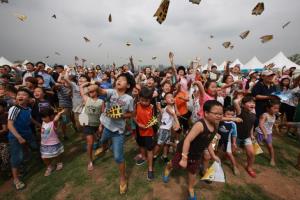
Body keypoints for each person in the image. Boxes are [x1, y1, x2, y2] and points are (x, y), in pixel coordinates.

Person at [162, 100, 222, 200]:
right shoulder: (200, 125)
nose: (219, 116)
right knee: (175, 164)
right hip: (184, 151)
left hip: (197, 154)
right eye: (216, 113)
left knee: (193, 171)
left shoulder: (215, 125)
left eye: (221, 113)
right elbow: (187, 140)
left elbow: (208, 142)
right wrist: (184, 158)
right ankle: (168, 168)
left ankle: (190, 188)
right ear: (206, 113)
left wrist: (213, 155)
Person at [98, 73, 135, 194]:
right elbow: (102, 92)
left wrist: (122, 115)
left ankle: (123, 177)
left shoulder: (129, 99)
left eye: (122, 80)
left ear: (128, 85)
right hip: (106, 126)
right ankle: (103, 148)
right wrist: (95, 87)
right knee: (102, 141)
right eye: (117, 79)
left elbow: (131, 114)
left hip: (118, 132)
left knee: (118, 156)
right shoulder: (111, 92)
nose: (118, 81)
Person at [7, 88, 40, 190]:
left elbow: (30, 118)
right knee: (17, 157)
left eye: (24, 95)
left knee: (35, 146)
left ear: (29, 98)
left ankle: (42, 160)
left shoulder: (28, 109)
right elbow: (10, 125)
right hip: (15, 136)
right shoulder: (14, 109)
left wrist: (40, 125)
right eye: (19, 94)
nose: (20, 96)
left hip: (27, 134)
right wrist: (19, 137)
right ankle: (16, 179)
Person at [80, 82, 103, 171]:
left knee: (100, 138)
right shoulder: (86, 99)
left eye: (93, 91)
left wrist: (101, 125)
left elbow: (102, 114)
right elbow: (81, 87)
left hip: (97, 125)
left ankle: (102, 145)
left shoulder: (101, 102)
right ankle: (90, 161)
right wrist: (88, 83)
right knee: (90, 143)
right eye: (90, 92)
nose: (91, 93)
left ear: (97, 91)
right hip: (88, 125)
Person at [134, 87, 156, 180]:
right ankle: (143, 157)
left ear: (150, 100)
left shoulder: (152, 107)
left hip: (148, 132)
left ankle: (150, 169)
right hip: (139, 130)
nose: (143, 102)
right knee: (141, 145)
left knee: (149, 149)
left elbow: (154, 119)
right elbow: (133, 115)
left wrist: (149, 125)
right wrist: (138, 123)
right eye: (142, 100)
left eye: (146, 101)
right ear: (139, 98)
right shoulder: (137, 105)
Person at [153, 93, 179, 163]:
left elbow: (177, 113)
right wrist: (178, 125)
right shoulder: (167, 108)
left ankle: (164, 156)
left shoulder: (172, 107)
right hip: (164, 129)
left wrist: (175, 103)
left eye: (172, 97)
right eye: (168, 97)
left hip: (168, 129)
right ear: (165, 101)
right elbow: (174, 115)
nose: (171, 98)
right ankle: (154, 156)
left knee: (166, 143)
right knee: (159, 144)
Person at [39, 108, 65, 176]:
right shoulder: (44, 122)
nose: (43, 119)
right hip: (44, 144)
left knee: (56, 155)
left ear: (51, 116)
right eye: (42, 117)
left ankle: (59, 163)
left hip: (53, 143)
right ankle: (49, 167)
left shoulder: (53, 123)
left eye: (44, 117)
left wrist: (59, 113)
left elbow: (56, 119)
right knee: (44, 157)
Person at [236, 95, 257, 178]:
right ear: (243, 105)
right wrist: (242, 97)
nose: (252, 104)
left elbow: (251, 125)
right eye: (249, 102)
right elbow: (235, 102)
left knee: (251, 153)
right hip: (236, 136)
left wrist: (251, 134)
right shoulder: (240, 111)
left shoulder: (253, 114)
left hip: (246, 137)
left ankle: (249, 167)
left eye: (253, 102)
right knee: (230, 151)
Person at [256, 99, 280, 166]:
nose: (276, 110)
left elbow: (273, 123)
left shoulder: (274, 115)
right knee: (257, 144)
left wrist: (276, 128)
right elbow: (261, 125)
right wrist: (264, 134)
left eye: (278, 108)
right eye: (274, 108)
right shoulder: (264, 115)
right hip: (260, 132)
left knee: (270, 146)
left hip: (268, 133)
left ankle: (272, 159)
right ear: (268, 108)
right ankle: (255, 151)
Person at [218, 106, 239, 175]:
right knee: (215, 150)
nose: (230, 116)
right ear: (223, 114)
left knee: (229, 153)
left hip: (227, 140)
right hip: (218, 139)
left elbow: (234, 134)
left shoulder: (233, 124)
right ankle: (215, 161)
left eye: (232, 115)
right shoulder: (220, 121)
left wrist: (234, 143)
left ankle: (234, 166)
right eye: (228, 114)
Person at [0, 100, 9, 174]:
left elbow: (5, 129)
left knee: (5, 156)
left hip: (5, 140)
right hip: (4, 140)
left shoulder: (2, 116)